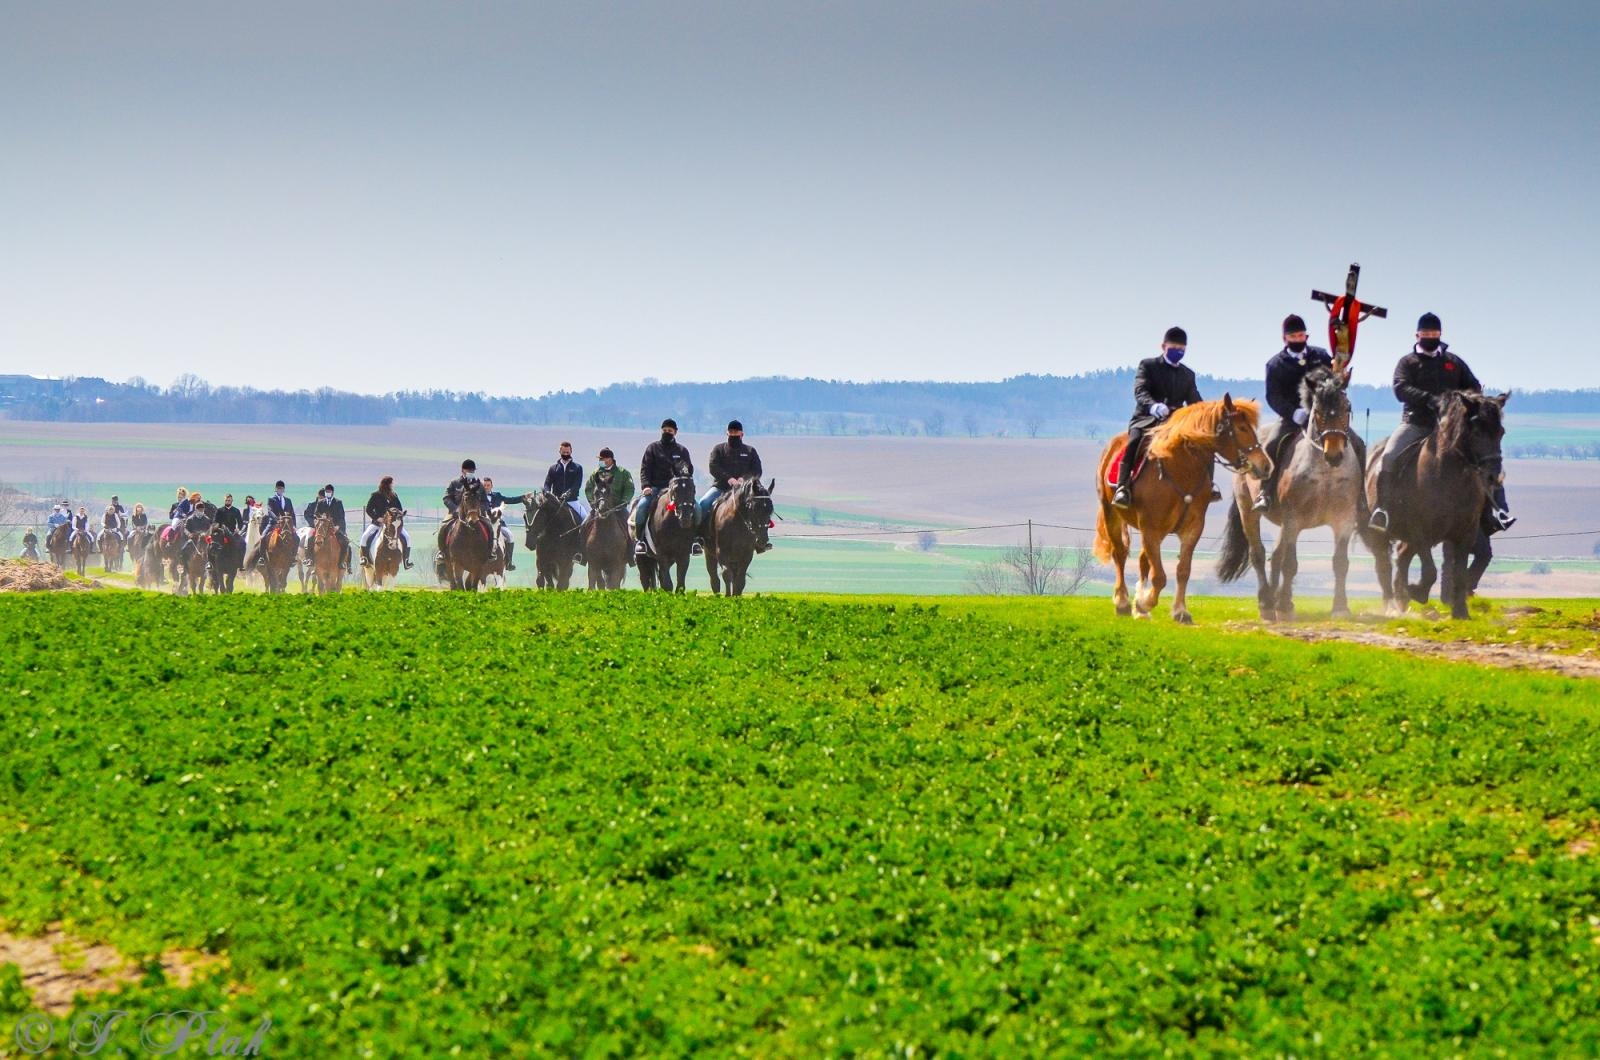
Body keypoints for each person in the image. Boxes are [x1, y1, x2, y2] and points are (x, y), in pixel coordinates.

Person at [1369, 312, 1513, 532]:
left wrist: (1473, 404)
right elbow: (1401, 388)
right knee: (1388, 456)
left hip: (1453, 428)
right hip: (1416, 423)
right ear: (1417, 335)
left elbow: (1473, 386)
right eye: (1425, 333)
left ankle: (1496, 511)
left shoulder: (1453, 362)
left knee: (1485, 457)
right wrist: (1429, 400)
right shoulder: (1407, 362)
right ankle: (1383, 510)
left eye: (1434, 333)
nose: (1430, 336)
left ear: (1440, 334)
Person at [1111, 327, 1209, 509]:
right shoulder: (1148, 366)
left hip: (1174, 423)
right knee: (1134, 442)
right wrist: (1153, 406)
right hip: (1146, 419)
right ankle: (1122, 487)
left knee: (1203, 444)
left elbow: (1194, 400)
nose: (1178, 351)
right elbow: (1140, 391)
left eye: (1182, 348)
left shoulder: (1188, 374)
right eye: (1174, 346)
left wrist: (1208, 412)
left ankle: (1209, 487)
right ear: (1163, 346)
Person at [1254, 314, 1336, 513]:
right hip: (1292, 419)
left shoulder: (1321, 356)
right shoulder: (1275, 365)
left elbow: (1333, 380)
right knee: (1272, 445)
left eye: (1301, 335)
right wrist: (1293, 413)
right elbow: (1273, 396)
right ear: (1285, 339)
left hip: (1322, 416)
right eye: (1294, 337)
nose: (1299, 339)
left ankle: (1360, 499)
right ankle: (1265, 492)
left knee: (1355, 442)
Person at [699, 420, 771, 553]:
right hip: (721, 488)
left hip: (745, 492)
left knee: (762, 506)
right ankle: (697, 539)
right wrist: (729, 479)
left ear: (742, 433)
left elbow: (757, 470)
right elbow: (713, 467)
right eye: (731, 432)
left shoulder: (750, 451)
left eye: (736, 432)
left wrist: (744, 479)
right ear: (727, 433)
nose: (733, 434)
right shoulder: (718, 449)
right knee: (702, 504)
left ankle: (761, 540)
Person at [635, 418, 695, 554]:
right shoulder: (653, 448)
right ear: (661, 431)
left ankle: (694, 540)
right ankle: (640, 541)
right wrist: (646, 486)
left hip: (678, 490)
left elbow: (688, 470)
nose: (667, 432)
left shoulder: (682, 450)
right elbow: (645, 469)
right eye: (665, 430)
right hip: (655, 487)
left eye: (670, 431)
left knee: (697, 509)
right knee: (641, 507)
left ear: (675, 432)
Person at [359, 476, 412, 569]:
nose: (392, 485)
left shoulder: (394, 495)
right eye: (391, 484)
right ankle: (364, 558)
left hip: (392, 525)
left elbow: (400, 509)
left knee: (407, 538)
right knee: (364, 537)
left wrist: (398, 516)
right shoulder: (375, 495)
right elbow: (368, 509)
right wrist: (377, 518)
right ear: (386, 484)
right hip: (378, 524)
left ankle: (406, 561)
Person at [481, 476, 522, 571]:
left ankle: (509, 562)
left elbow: (510, 500)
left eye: (488, 485)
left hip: (498, 524)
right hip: (484, 524)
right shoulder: (479, 497)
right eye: (485, 485)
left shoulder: (497, 495)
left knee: (510, 536)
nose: (486, 487)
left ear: (492, 486)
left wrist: (523, 498)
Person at [543, 441, 589, 522]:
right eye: (563, 452)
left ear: (571, 451)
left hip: (572, 501)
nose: (565, 454)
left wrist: (568, 493)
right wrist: (547, 493)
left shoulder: (577, 468)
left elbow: (577, 484)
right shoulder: (553, 468)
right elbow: (547, 483)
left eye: (567, 452)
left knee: (585, 517)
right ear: (560, 452)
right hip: (556, 501)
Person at [311, 484, 352, 573]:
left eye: (329, 492)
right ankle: (312, 562)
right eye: (326, 492)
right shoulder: (321, 502)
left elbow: (341, 516)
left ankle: (343, 563)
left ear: (332, 492)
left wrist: (337, 526)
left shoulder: (338, 502)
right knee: (310, 540)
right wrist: (318, 520)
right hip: (322, 529)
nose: (327, 493)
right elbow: (315, 514)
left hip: (334, 528)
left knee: (345, 543)